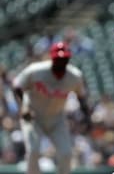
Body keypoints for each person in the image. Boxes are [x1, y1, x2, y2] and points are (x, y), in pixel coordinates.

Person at [12, 41, 91, 174]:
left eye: (64, 59)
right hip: (34, 116)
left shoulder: (74, 76)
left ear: (68, 59)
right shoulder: (36, 70)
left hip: (57, 118)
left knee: (66, 153)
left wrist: (87, 117)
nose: (61, 62)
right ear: (52, 58)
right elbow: (17, 86)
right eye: (58, 59)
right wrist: (23, 107)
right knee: (33, 151)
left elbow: (81, 98)